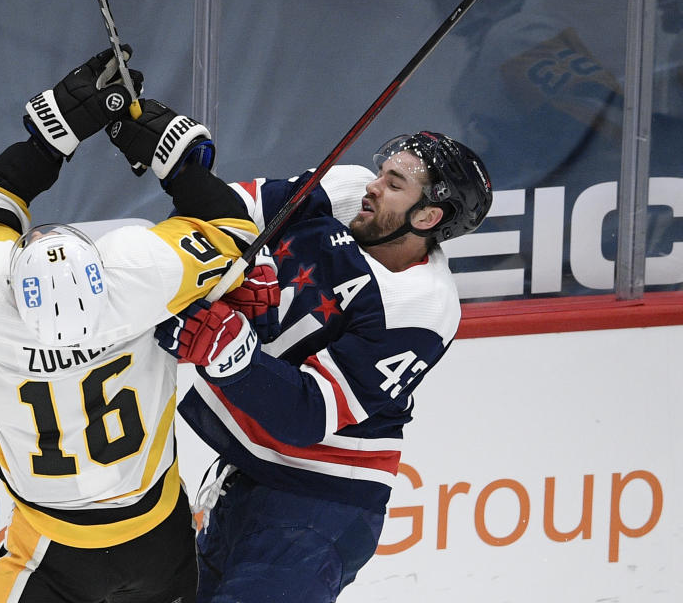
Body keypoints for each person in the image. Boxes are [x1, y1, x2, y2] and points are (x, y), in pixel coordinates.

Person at [0, 47, 258, 603]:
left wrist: (46, 141)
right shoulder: (137, 278)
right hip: (157, 535)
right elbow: (232, 228)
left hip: (48, 545)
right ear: (99, 268)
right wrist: (176, 161)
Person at [157, 132, 493, 602]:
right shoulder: (349, 191)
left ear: (428, 216)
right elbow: (225, 216)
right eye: (382, 174)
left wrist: (229, 351)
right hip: (247, 472)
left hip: (321, 504)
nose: (374, 187)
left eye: (394, 184)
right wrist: (177, 170)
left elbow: (306, 414)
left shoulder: (423, 306)